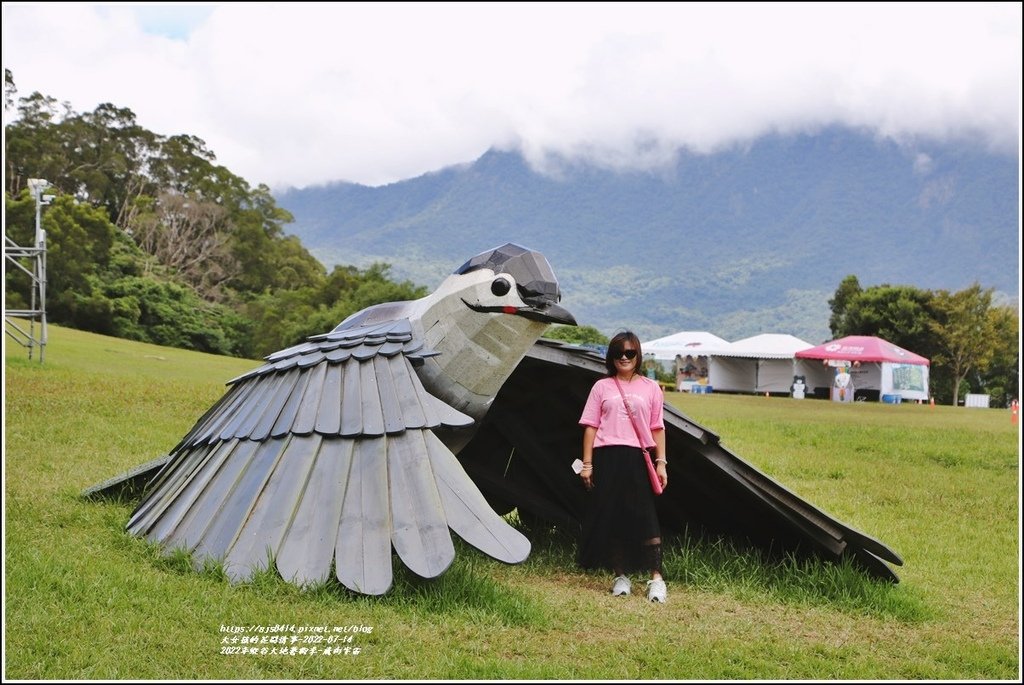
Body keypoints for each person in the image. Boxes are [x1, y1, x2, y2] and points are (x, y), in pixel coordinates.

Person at [577, 331, 669, 602]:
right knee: (613, 516)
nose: (624, 358)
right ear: (611, 357)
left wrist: (661, 463)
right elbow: (590, 427)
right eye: (619, 353)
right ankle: (621, 576)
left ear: (638, 355)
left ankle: (656, 579)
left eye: (630, 353)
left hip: (637, 457)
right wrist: (587, 464)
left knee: (645, 517)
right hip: (607, 457)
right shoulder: (601, 387)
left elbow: (658, 428)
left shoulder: (651, 388)